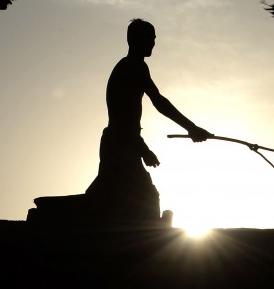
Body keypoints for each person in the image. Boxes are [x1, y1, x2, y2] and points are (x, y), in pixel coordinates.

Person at [85, 19, 212, 225]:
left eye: (154, 39)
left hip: (123, 142)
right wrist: (190, 129)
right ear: (133, 39)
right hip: (121, 143)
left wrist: (191, 129)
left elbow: (154, 103)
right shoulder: (131, 67)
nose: (153, 43)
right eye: (149, 38)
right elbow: (155, 104)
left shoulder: (136, 67)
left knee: (116, 197)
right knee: (143, 197)